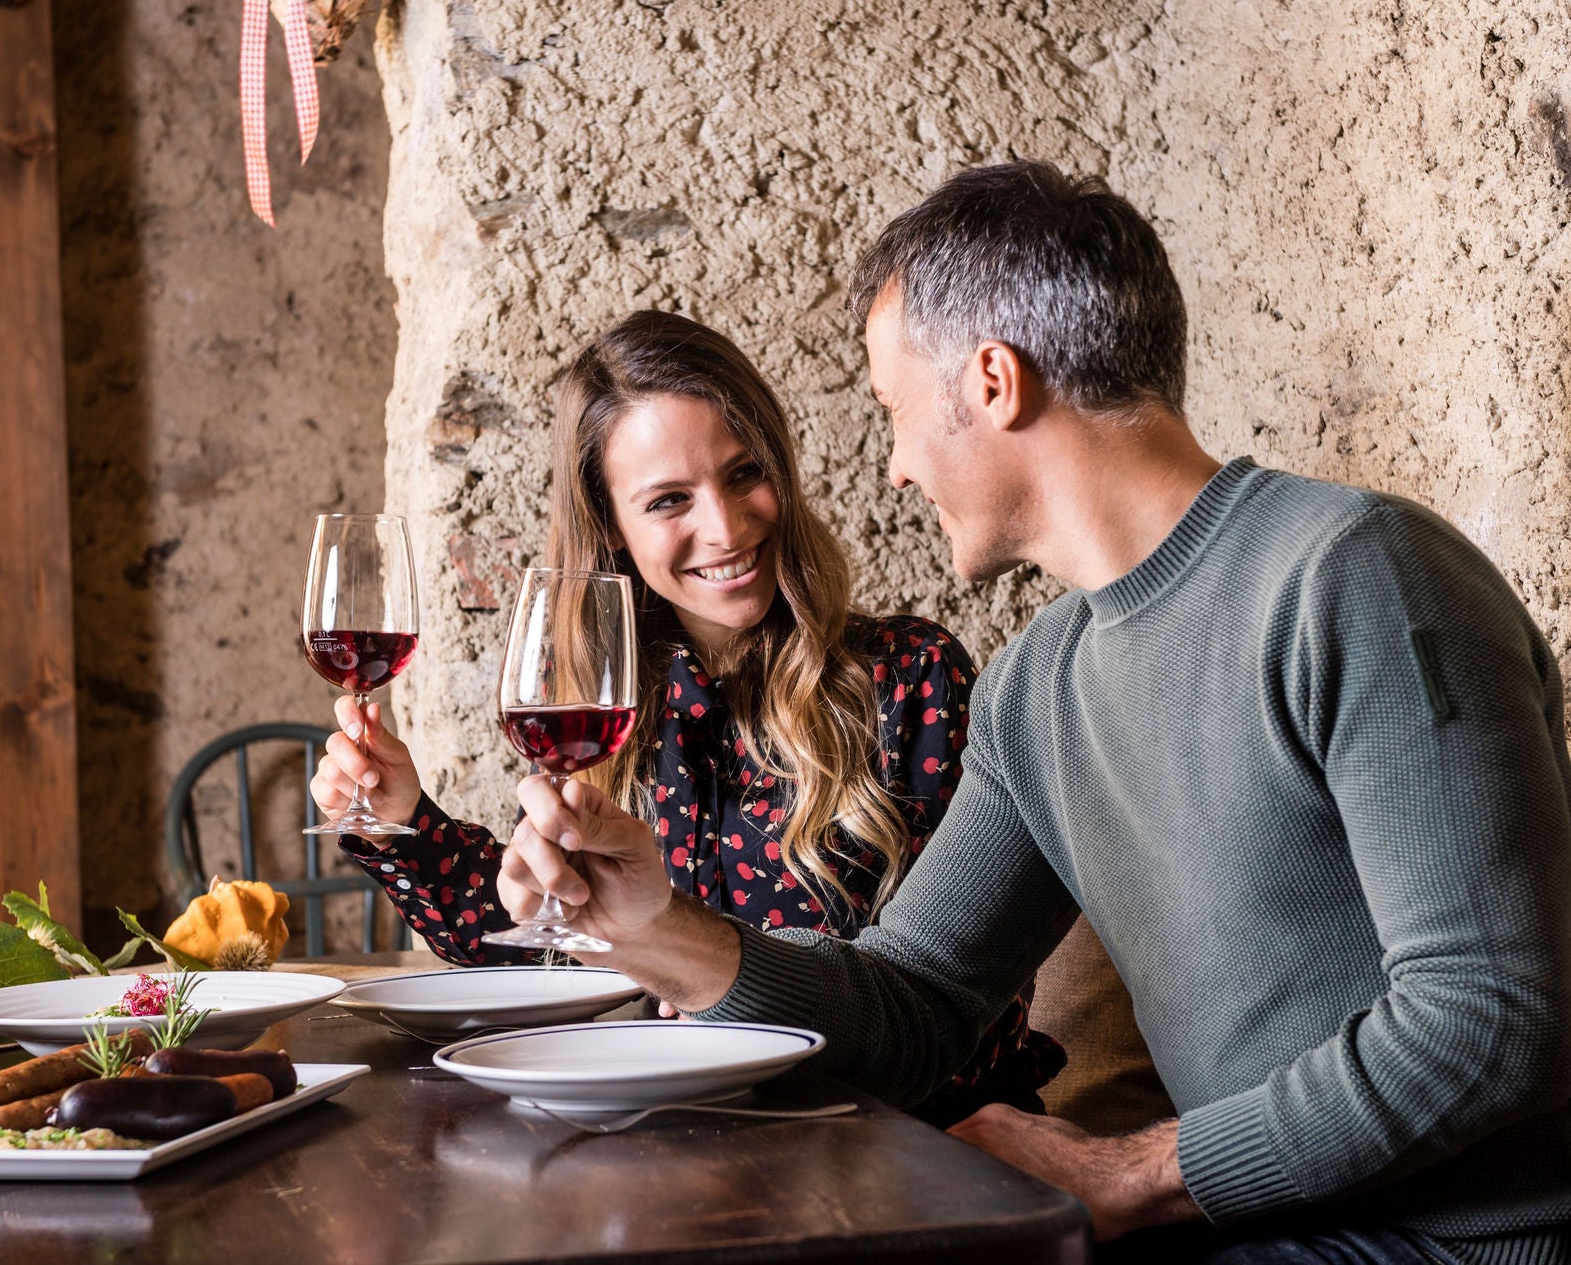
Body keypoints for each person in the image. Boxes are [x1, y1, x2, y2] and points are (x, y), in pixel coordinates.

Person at [494, 163, 1571, 1261]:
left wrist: (1132, 1175)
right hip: (1252, 1235)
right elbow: (915, 1003)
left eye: (896, 410)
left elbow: (1489, 1027)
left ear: (992, 382)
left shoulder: (1355, 575)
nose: (894, 467)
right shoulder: (1038, 682)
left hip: (1456, 1246)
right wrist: (654, 927)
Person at [311, 310, 1065, 1120]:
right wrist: (403, 825)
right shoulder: (606, 710)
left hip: (901, 1151)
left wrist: (689, 963)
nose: (727, 526)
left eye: (744, 474)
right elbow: (559, 950)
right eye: (670, 499)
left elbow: (956, 1019)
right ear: (611, 526)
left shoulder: (910, 677)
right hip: (700, 1152)